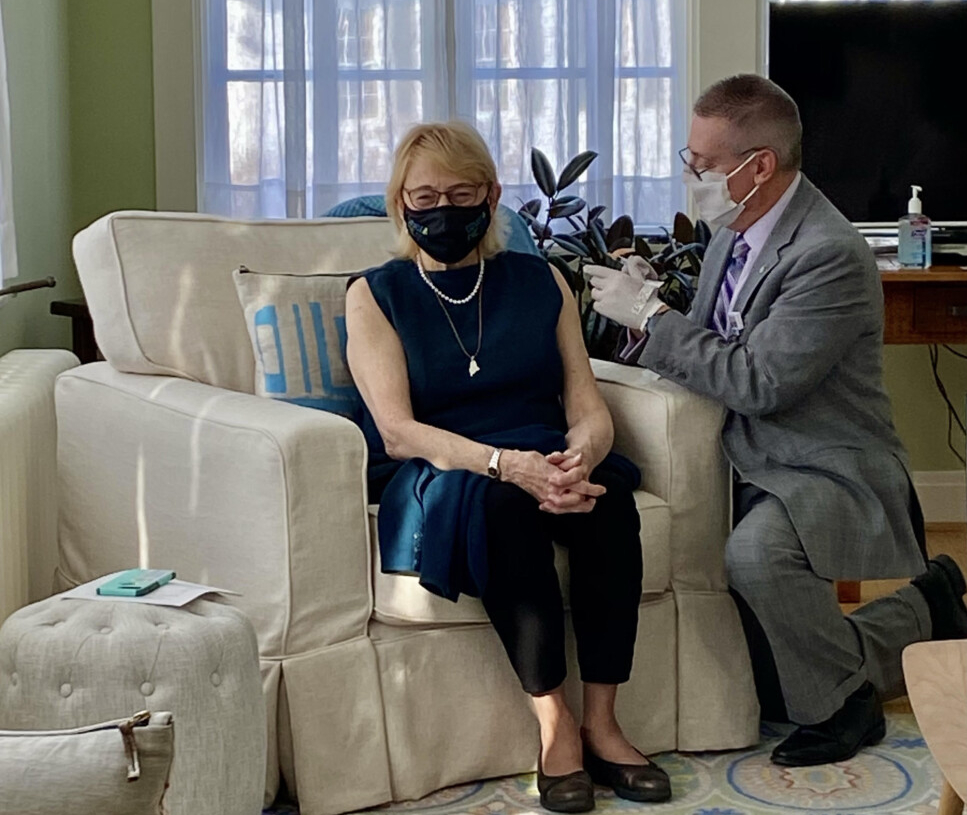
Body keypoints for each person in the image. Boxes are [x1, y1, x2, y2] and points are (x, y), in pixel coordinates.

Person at [587, 74, 967, 768]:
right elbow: (715, 344)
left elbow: (758, 381)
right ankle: (926, 610)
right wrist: (652, 304)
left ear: (759, 166)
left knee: (755, 558)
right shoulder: (733, 232)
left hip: (819, 460)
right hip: (741, 452)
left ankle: (844, 707)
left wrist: (653, 317)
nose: (691, 175)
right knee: (765, 680)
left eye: (703, 164)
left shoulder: (827, 253)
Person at [344, 121, 672, 810]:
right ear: (400, 202)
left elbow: (586, 403)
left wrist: (578, 457)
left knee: (607, 501)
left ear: (492, 197)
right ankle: (555, 726)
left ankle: (604, 723)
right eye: (425, 197)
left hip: (541, 451)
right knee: (501, 508)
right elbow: (398, 432)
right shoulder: (375, 295)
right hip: (443, 465)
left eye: (461, 195)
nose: (443, 210)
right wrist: (505, 466)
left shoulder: (540, 280)